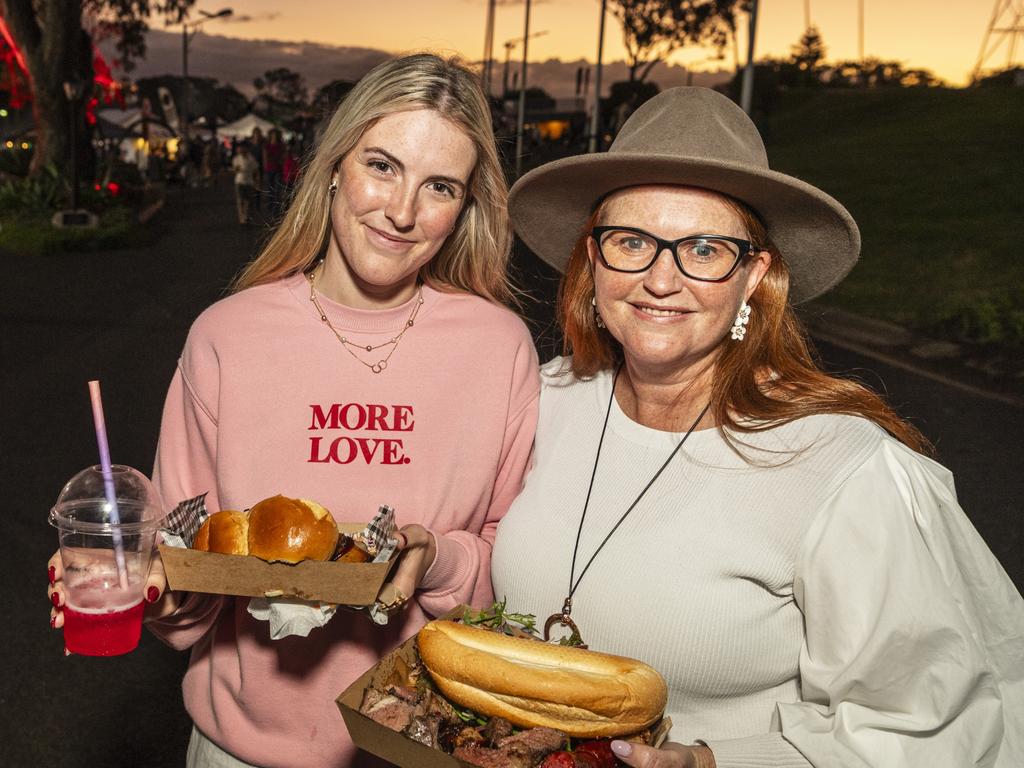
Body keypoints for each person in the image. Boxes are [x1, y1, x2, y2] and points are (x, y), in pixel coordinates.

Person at [491, 87, 1024, 768]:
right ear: (592, 260)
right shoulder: (549, 397)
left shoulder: (843, 466)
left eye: (704, 249)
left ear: (754, 276)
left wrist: (714, 760)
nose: (661, 279)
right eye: (632, 241)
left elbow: (929, 730)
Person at [48, 53, 539, 767]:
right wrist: (146, 585)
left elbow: (514, 567)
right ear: (335, 165)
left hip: (425, 749)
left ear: (465, 206)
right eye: (382, 165)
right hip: (238, 751)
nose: (402, 212)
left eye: (439, 186)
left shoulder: (499, 348)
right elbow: (187, 574)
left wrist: (437, 561)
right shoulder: (227, 335)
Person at [230, 143, 259, 225]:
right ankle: (241, 217)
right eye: (240, 149)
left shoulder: (251, 158)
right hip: (239, 181)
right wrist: (236, 169)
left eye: (243, 148)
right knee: (240, 200)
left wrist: (257, 180)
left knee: (248, 200)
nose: (241, 150)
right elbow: (234, 170)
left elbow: (256, 169)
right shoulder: (236, 159)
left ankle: (246, 216)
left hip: (249, 181)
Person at [262, 127, 286, 219]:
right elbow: (265, 158)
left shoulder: (281, 145)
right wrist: (265, 168)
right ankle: (271, 206)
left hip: (278, 168)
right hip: (269, 169)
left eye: (275, 135)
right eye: (273, 135)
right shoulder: (267, 145)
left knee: (277, 189)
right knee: (269, 188)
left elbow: (283, 156)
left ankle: (276, 209)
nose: (274, 136)